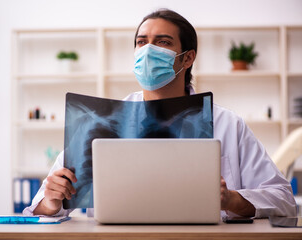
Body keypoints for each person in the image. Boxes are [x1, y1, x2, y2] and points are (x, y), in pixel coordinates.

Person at [24, 9, 296, 218]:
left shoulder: (228, 124)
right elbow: (38, 210)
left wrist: (231, 200)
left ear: (187, 58)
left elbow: (283, 199)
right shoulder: (99, 120)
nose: (148, 51)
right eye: (141, 42)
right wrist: (50, 201)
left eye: (162, 42)